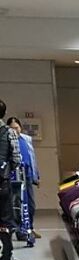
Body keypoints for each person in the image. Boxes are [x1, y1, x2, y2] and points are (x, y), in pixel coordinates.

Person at [7, 117, 40, 246]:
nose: (15, 130)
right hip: (14, 177)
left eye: (17, 128)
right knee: (17, 205)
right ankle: (20, 231)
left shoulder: (27, 139)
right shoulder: (7, 141)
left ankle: (29, 228)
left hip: (27, 175)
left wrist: (36, 175)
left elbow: (32, 158)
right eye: (12, 128)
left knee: (31, 205)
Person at [0, 100, 20, 238]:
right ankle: (6, 254)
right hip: (2, 179)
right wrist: (9, 169)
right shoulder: (10, 132)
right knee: (5, 217)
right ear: (4, 113)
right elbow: (16, 158)